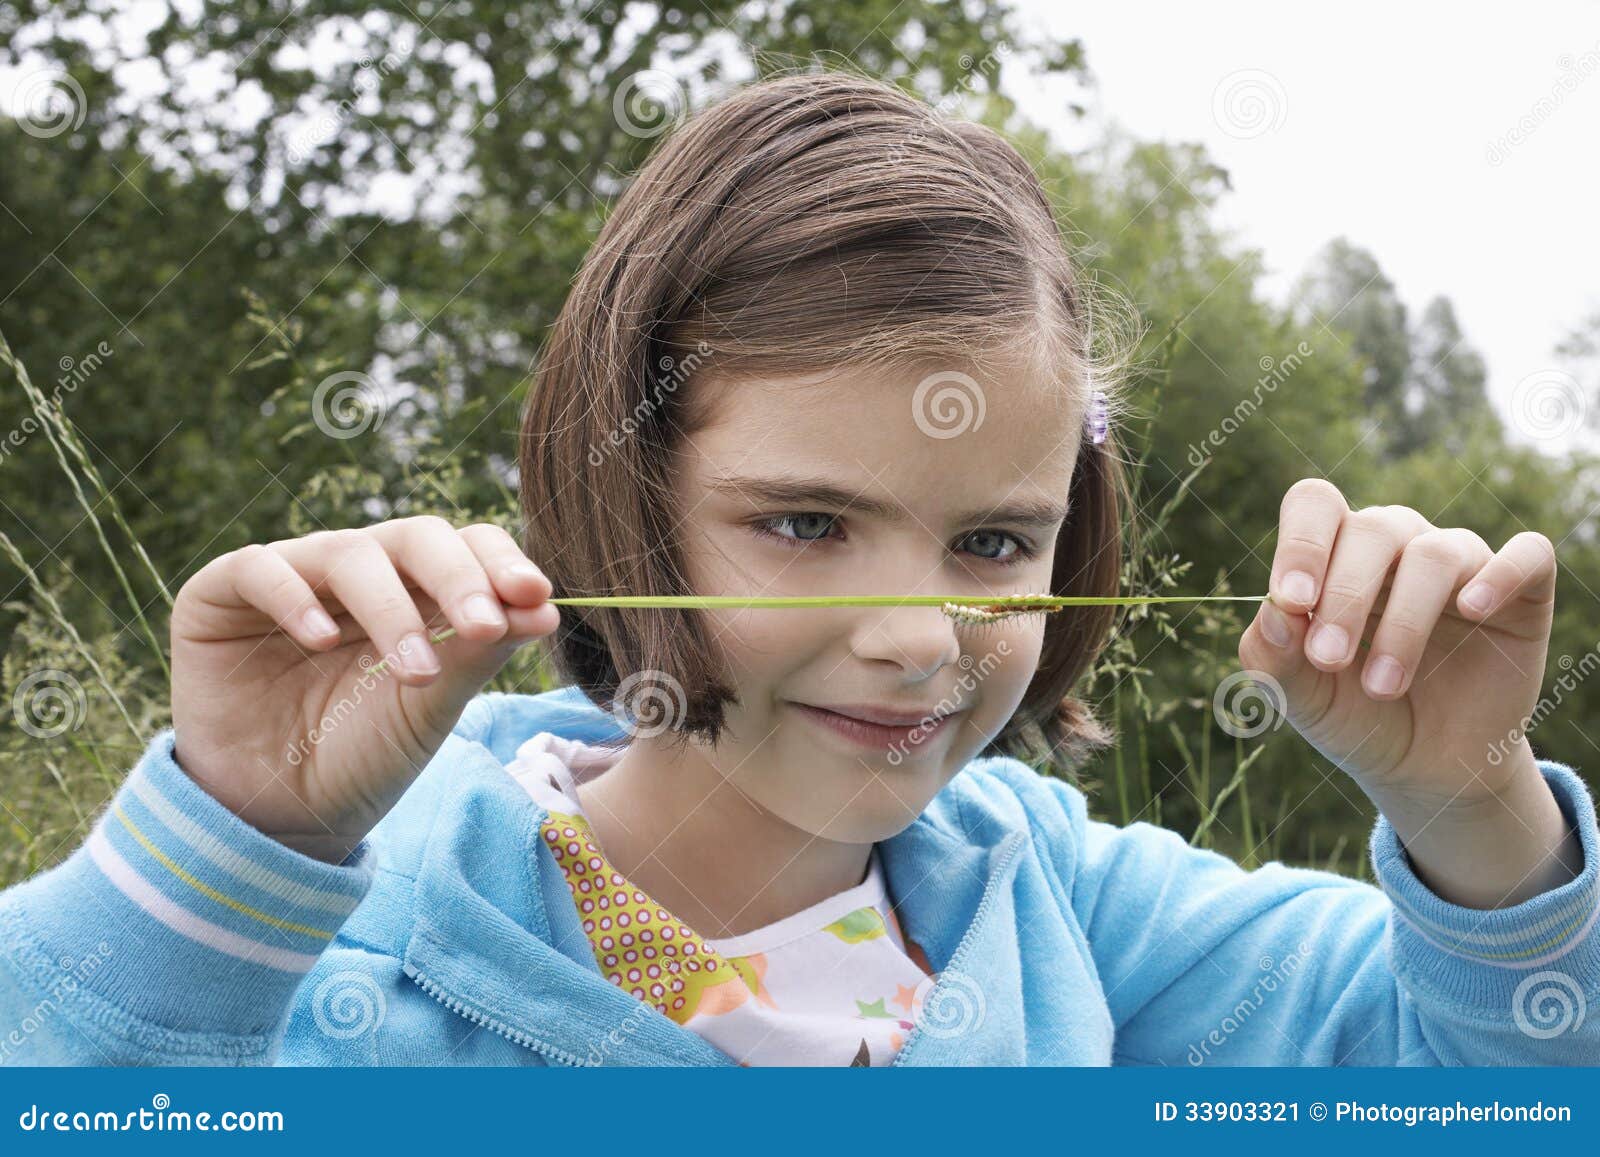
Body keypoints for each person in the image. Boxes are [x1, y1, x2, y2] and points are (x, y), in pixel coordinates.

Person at [2, 70, 1594, 1067]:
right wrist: (237, 848)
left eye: (992, 540)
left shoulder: (1073, 917)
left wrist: (1471, 808)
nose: (919, 635)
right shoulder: (339, 943)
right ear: (624, 501)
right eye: (807, 522)